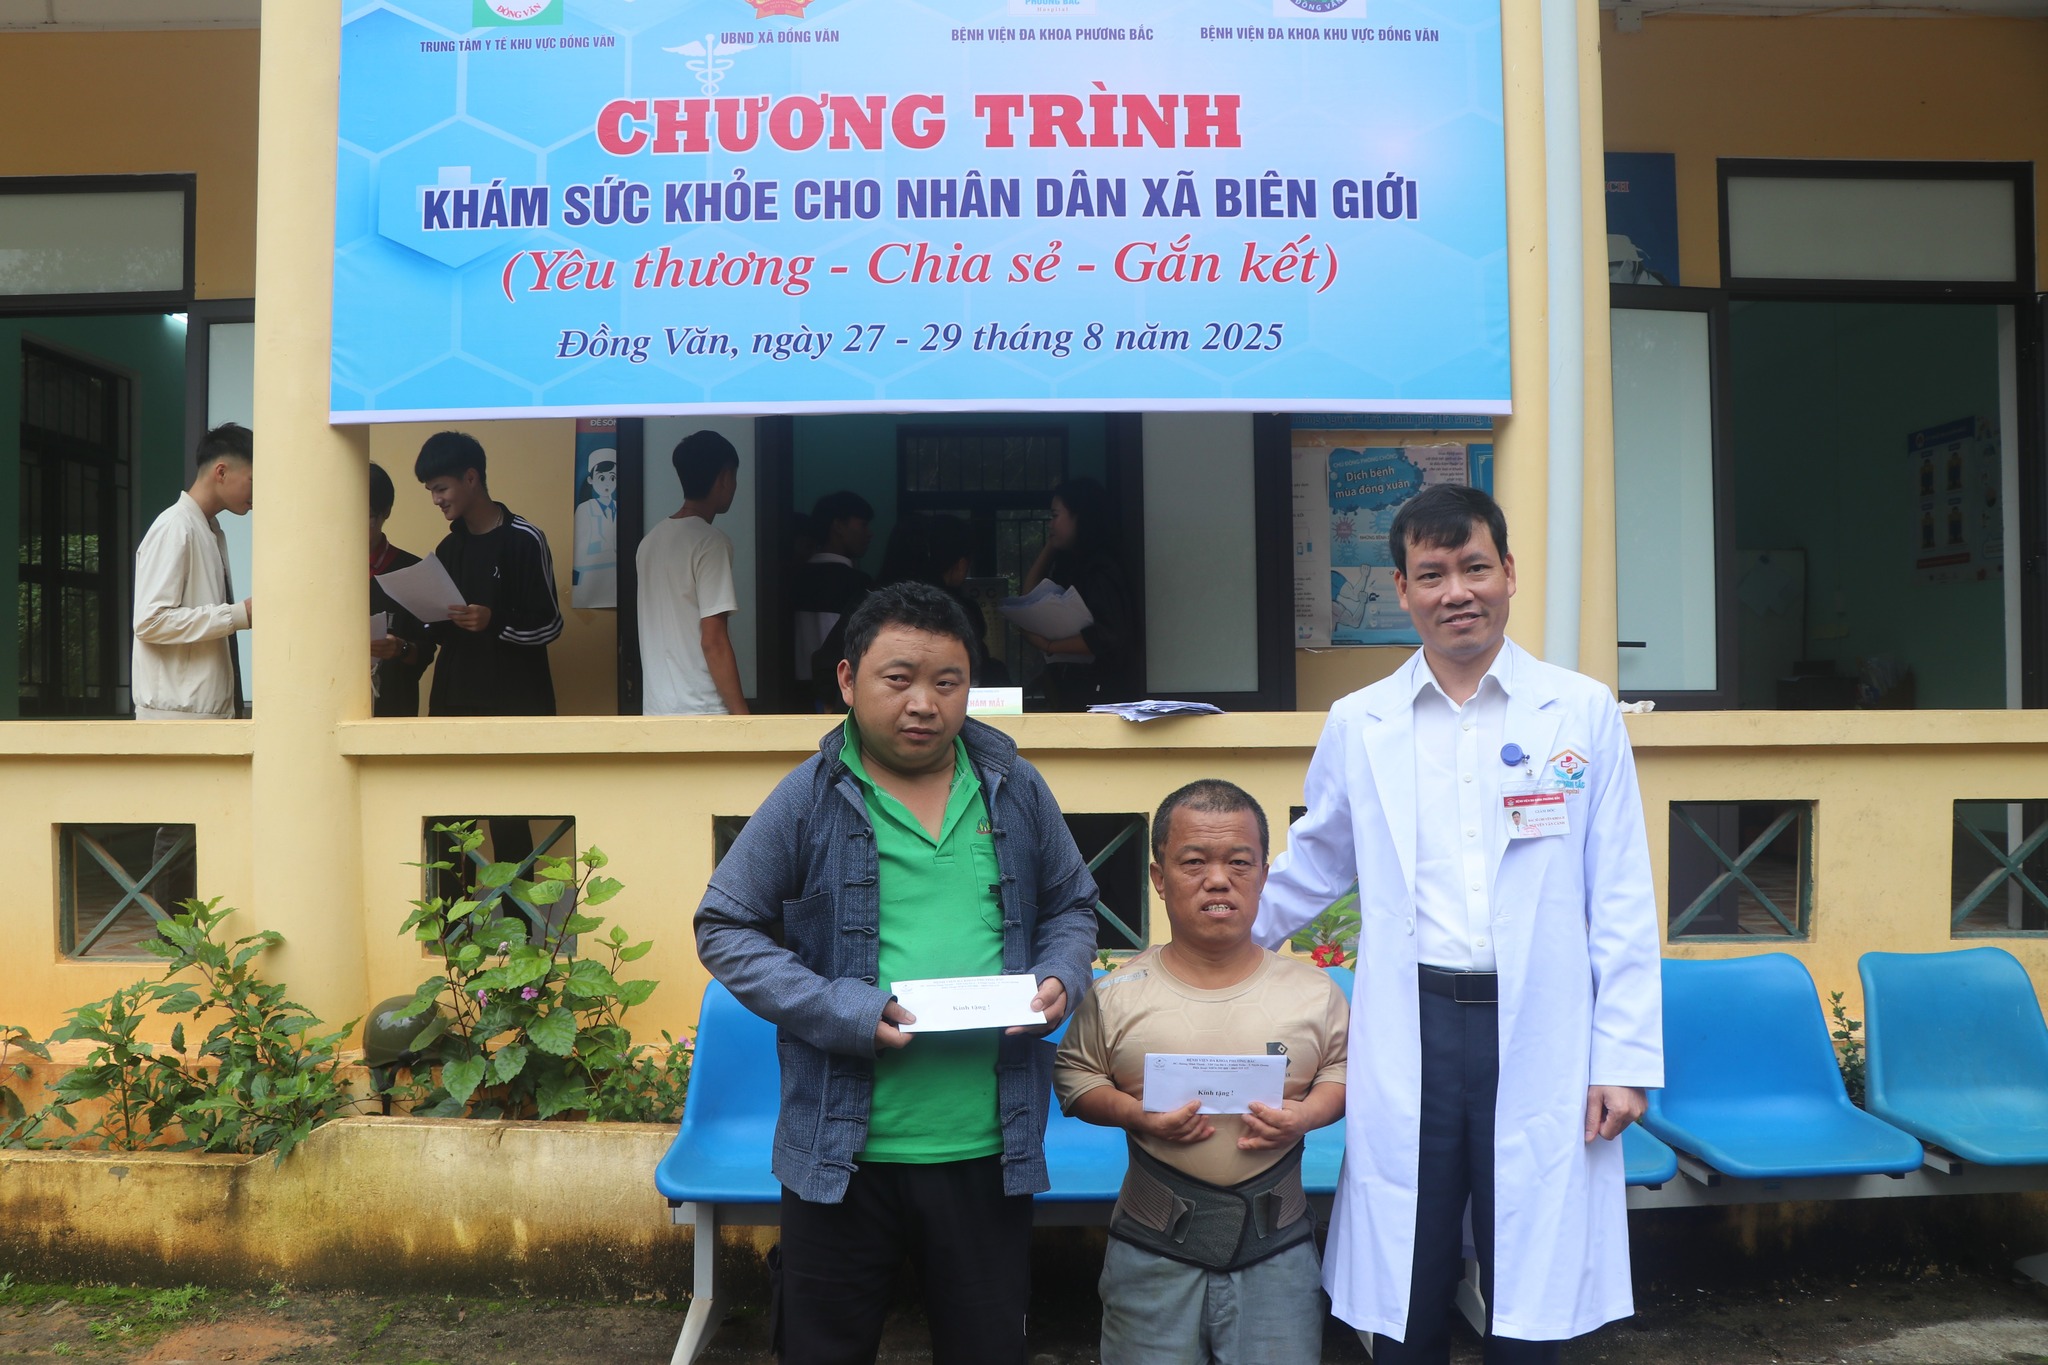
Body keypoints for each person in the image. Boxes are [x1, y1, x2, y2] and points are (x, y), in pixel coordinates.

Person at [1251, 483, 1663, 1363]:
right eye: (1431, 574)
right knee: (1409, 1268)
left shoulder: (1579, 710)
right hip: (1417, 1026)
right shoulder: (1361, 722)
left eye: (1475, 567)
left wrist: (1624, 1058)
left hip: (1541, 1025)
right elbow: (1314, 862)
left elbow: (1621, 889)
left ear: (1509, 571)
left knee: (1529, 1279)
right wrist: (1212, 945)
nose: (1457, 591)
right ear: (1402, 590)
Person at [695, 581, 1100, 1365]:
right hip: (841, 1155)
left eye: (947, 681)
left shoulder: (1012, 787)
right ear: (849, 680)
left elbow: (1073, 904)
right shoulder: (809, 797)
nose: (924, 703)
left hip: (987, 1148)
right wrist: (840, 1008)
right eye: (899, 678)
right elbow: (723, 925)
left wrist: (1060, 973)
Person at [1056, 779, 1347, 1365]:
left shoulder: (1314, 993)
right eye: (1194, 862)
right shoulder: (1116, 994)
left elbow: (1343, 1072)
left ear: (1264, 875)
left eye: (1239, 862)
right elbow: (1077, 1078)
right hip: (1151, 1253)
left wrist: (1306, 1116)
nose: (1218, 879)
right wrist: (1137, 1115)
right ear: (1159, 878)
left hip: (1278, 1252)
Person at [414, 431, 562, 718]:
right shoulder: (448, 548)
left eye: (441, 489)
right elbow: (442, 632)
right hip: (452, 701)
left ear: (471, 478)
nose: (436, 500)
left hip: (516, 703)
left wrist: (493, 620)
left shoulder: (525, 539)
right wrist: (426, 616)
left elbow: (550, 625)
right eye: (431, 491)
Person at [133, 422, 253, 721]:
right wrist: (238, 615)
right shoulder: (175, 526)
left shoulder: (210, 529)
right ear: (221, 472)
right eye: (253, 479)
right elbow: (150, 622)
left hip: (205, 714)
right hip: (175, 718)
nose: (259, 492)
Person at [638, 430, 748, 716]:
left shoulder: (650, 542)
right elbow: (713, 640)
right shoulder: (710, 542)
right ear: (725, 477)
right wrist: (743, 717)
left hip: (657, 709)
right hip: (702, 708)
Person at [1022, 476, 1137, 709]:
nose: (1050, 525)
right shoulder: (1071, 563)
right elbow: (1029, 598)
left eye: (1055, 516)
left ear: (1080, 516)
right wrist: (1050, 546)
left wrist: (1050, 646)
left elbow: (1109, 635)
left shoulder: (1101, 568)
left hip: (1101, 693)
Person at [792, 489, 875, 694]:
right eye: (863, 524)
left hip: (794, 690)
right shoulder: (859, 583)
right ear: (838, 526)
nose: (869, 533)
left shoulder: (793, 578)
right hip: (839, 691)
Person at [369, 462, 434, 718]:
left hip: (393, 711)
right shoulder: (323, 572)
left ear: (385, 512)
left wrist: (401, 649)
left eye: (365, 516)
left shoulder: (413, 571)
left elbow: (426, 651)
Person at [571, 452, 619, 606]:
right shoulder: (584, 509)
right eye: (602, 478)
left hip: (618, 582)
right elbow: (580, 553)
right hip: (590, 583)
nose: (607, 484)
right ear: (591, 479)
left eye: (612, 478)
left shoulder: (621, 508)